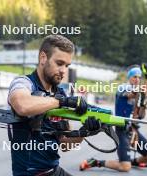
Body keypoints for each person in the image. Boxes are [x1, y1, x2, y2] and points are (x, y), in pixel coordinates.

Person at [8, 35, 101, 176]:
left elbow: (65, 144)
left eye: (67, 65)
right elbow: (22, 105)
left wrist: (84, 132)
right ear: (43, 58)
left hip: (53, 171)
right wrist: (61, 102)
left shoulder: (61, 93)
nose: (64, 71)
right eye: (59, 63)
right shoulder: (24, 82)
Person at [79, 65, 147, 172]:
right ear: (129, 77)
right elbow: (135, 93)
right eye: (135, 77)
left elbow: (143, 101)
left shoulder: (138, 93)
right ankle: (96, 162)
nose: (137, 79)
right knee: (125, 167)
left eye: (139, 77)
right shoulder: (123, 88)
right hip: (121, 130)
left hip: (132, 129)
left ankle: (133, 161)